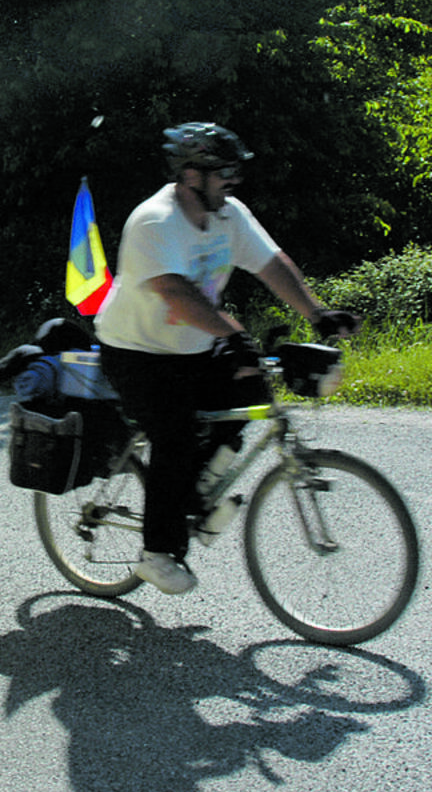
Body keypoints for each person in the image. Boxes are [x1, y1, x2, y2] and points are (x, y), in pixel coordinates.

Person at [93, 123, 359, 594]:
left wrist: (316, 314)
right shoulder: (156, 220)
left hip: (194, 345)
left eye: (235, 171)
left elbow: (271, 265)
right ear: (192, 176)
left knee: (251, 392)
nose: (233, 180)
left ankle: (194, 494)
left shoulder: (229, 215)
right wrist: (235, 334)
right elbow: (176, 295)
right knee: (173, 437)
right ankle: (157, 553)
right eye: (224, 172)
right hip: (137, 351)